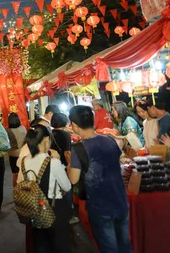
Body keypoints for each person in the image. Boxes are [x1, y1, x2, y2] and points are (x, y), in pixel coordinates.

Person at [68, 106, 131, 253]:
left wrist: (69, 164)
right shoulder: (109, 140)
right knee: (125, 246)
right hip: (120, 201)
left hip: (100, 206)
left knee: (109, 248)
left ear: (75, 126)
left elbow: (73, 179)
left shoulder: (78, 149)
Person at [18, 124, 72, 253]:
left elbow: (20, 183)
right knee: (59, 244)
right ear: (47, 140)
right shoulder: (53, 162)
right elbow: (67, 186)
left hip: (34, 209)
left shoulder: (24, 161)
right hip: (54, 208)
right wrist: (60, 160)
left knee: (40, 243)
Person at [6, 112, 26, 188]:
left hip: (12, 154)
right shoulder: (23, 128)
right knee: (23, 173)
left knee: (15, 174)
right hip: (23, 153)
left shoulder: (7, 130)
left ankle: (16, 192)